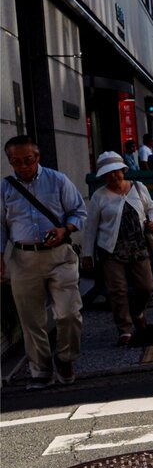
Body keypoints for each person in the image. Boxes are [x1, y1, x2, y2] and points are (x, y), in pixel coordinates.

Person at [1, 136, 87, 388]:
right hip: (22, 258)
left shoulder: (57, 180)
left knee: (69, 313)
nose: (23, 166)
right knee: (31, 321)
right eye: (16, 162)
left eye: (28, 160)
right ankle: (40, 371)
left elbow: (79, 211)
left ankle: (66, 358)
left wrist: (65, 229)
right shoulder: (4, 189)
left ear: (38, 157)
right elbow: (0, 227)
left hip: (59, 256)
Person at [80, 151, 153, 346]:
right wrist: (87, 254)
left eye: (117, 171)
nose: (114, 176)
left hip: (138, 247)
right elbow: (90, 227)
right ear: (103, 176)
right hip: (110, 250)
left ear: (124, 170)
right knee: (118, 291)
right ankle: (124, 328)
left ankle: (137, 311)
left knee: (147, 287)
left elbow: (151, 208)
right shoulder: (100, 196)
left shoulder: (138, 188)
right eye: (109, 173)